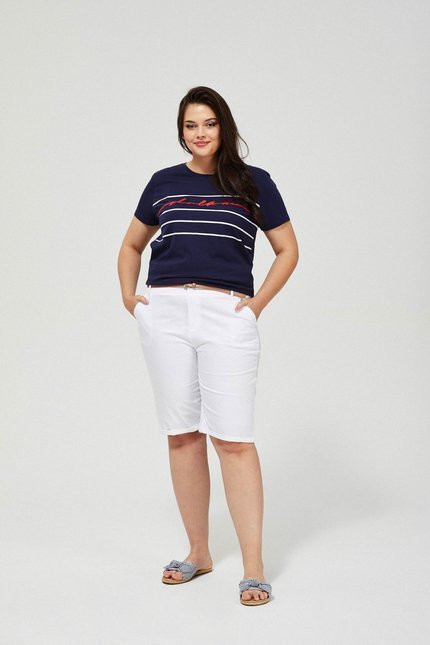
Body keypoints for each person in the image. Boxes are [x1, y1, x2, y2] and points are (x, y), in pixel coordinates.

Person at [117, 86, 299, 606]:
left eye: (210, 123)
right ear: (182, 131)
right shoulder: (163, 183)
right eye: (191, 125)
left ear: (225, 127)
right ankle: (198, 552)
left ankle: (254, 566)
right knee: (181, 434)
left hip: (226, 314)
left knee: (234, 439)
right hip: (167, 312)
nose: (200, 133)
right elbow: (131, 244)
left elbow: (287, 249)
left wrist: (256, 305)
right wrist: (131, 299)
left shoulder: (253, 182)